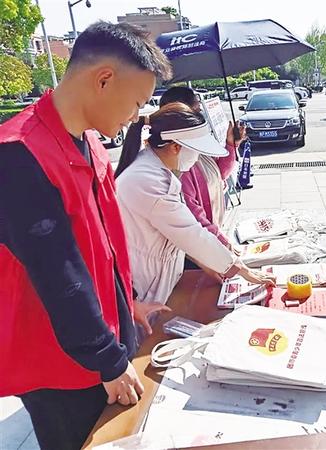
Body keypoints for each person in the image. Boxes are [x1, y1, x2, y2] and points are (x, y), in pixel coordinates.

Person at [0, 22, 172, 450]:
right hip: (60, 366)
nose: (136, 116)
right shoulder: (20, 153)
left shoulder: (90, 143)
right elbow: (57, 273)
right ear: (104, 79)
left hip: (100, 343)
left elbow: (104, 246)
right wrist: (109, 360)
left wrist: (128, 303)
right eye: (137, 102)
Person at [114, 102, 275, 328]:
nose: (197, 157)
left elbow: (180, 233)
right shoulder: (148, 181)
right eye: (195, 150)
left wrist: (211, 264)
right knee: (151, 337)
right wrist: (242, 270)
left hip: (156, 276)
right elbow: (191, 233)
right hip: (144, 285)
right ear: (175, 147)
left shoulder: (153, 168)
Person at [154, 86, 246, 255]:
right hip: (199, 245)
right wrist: (224, 246)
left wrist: (231, 144)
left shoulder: (197, 146)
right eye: (196, 110)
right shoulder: (179, 164)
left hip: (209, 237)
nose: (200, 115)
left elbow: (219, 173)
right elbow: (194, 220)